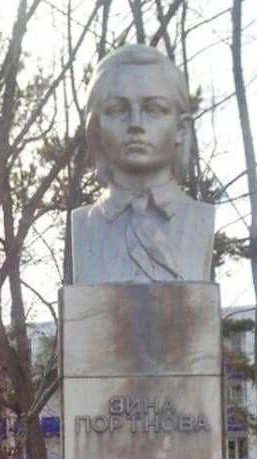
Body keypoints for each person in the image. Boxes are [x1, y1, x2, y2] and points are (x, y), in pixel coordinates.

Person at [71, 44, 215, 285]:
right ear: (96, 128)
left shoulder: (200, 220)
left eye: (154, 109)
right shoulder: (83, 226)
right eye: (117, 109)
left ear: (181, 129)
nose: (136, 124)